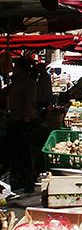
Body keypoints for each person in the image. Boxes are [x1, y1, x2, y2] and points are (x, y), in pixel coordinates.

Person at [0, 58, 36, 192]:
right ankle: (18, 180)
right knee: (13, 152)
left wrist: (26, 119)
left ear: (22, 69)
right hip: (14, 120)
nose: (13, 68)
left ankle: (27, 182)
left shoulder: (28, 83)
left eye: (16, 67)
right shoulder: (17, 82)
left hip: (22, 122)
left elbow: (29, 104)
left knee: (22, 153)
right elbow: (4, 93)